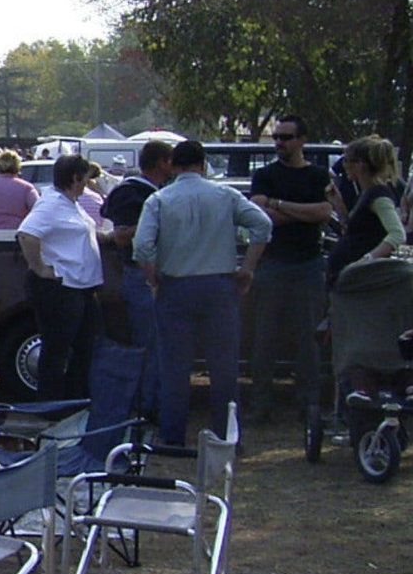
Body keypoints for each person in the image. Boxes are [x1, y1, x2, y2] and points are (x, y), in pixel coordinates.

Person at [134, 139, 273, 445]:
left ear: (174, 165)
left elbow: (142, 246)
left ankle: (173, 437)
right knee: (224, 368)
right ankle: (226, 436)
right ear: (203, 164)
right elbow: (262, 225)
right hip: (219, 287)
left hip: (175, 286)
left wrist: (154, 279)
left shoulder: (159, 200)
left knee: (174, 368)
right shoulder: (226, 195)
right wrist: (247, 267)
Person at [245, 115, 334, 423]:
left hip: (309, 264)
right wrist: (303, 212)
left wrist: (279, 204)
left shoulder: (318, 175)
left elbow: (324, 212)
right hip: (272, 263)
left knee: (309, 338)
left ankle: (309, 404)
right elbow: (261, 215)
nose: (279, 143)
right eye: (276, 137)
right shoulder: (264, 175)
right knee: (264, 337)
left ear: (302, 140)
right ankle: (261, 403)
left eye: (285, 137)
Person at [17, 154, 103, 400]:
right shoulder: (51, 204)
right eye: (85, 178)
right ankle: (51, 403)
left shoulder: (70, 203)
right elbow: (27, 234)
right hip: (61, 286)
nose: (88, 183)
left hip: (81, 285)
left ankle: (76, 398)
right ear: (75, 178)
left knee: (84, 346)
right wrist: (40, 268)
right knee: (57, 348)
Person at [100, 139, 176, 416]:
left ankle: (154, 399)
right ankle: (146, 405)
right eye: (170, 160)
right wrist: (154, 221)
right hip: (139, 274)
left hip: (160, 273)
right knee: (149, 342)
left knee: (160, 342)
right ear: (162, 163)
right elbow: (122, 236)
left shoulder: (159, 191)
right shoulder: (131, 192)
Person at [327, 135, 405, 281]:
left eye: (346, 160)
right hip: (345, 276)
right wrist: (338, 204)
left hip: (362, 279)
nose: (344, 165)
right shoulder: (365, 193)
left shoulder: (379, 195)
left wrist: (366, 260)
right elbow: (354, 232)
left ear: (360, 164)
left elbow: (397, 234)